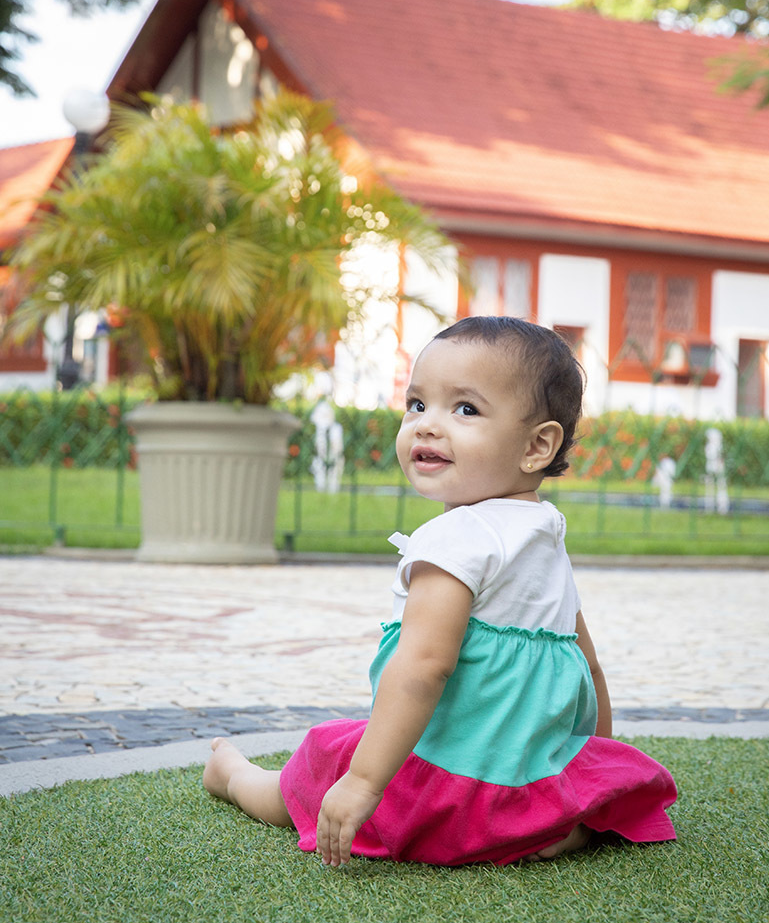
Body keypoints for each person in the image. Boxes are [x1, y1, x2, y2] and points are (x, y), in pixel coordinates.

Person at [203, 316, 677, 867]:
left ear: (536, 445)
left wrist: (361, 782)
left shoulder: (456, 539)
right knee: (558, 819)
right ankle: (549, 831)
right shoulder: (545, 536)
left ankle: (235, 778)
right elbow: (587, 666)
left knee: (311, 770)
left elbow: (424, 667)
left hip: (448, 792)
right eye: (417, 404)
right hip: (520, 791)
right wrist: (592, 762)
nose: (426, 426)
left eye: (465, 409)